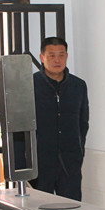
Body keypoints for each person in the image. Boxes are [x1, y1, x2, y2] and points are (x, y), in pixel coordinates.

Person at [31, 36, 89, 201]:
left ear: (67, 56)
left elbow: (83, 123)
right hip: (40, 164)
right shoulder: (30, 85)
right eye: (51, 55)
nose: (57, 60)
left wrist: (78, 152)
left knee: (72, 208)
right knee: (40, 209)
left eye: (61, 55)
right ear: (42, 57)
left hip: (70, 163)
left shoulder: (78, 86)